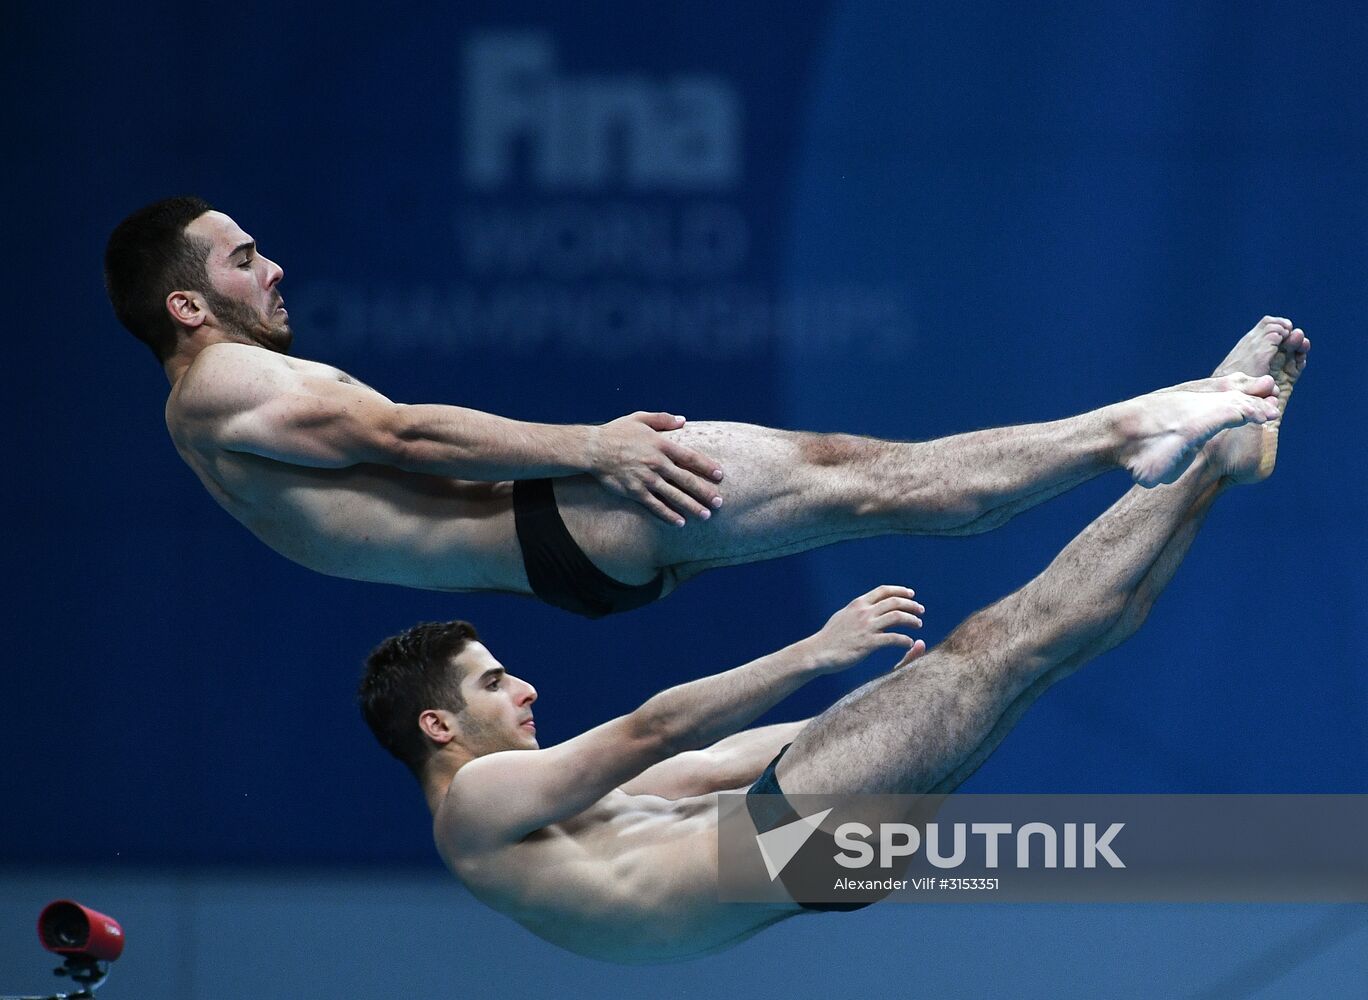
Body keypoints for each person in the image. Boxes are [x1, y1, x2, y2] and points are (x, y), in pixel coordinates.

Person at [355, 323, 1309, 962]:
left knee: (1024, 654)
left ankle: (1214, 465)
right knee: (1012, 647)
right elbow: (653, 731)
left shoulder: (537, 814)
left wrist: (861, 710)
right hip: (787, 843)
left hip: (805, 856)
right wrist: (813, 652)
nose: (522, 692)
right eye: (492, 685)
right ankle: (1177, 440)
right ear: (438, 726)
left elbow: (707, 763)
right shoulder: (474, 807)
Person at [106, 196, 1284, 617]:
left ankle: (1168, 444)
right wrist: (601, 448)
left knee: (891, 495)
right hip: (568, 518)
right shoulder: (222, 385)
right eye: (242, 258)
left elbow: (390, 464)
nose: (271, 269)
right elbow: (395, 432)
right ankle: (1139, 426)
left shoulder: (215, 411)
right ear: (187, 304)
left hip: (557, 559)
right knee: (884, 478)